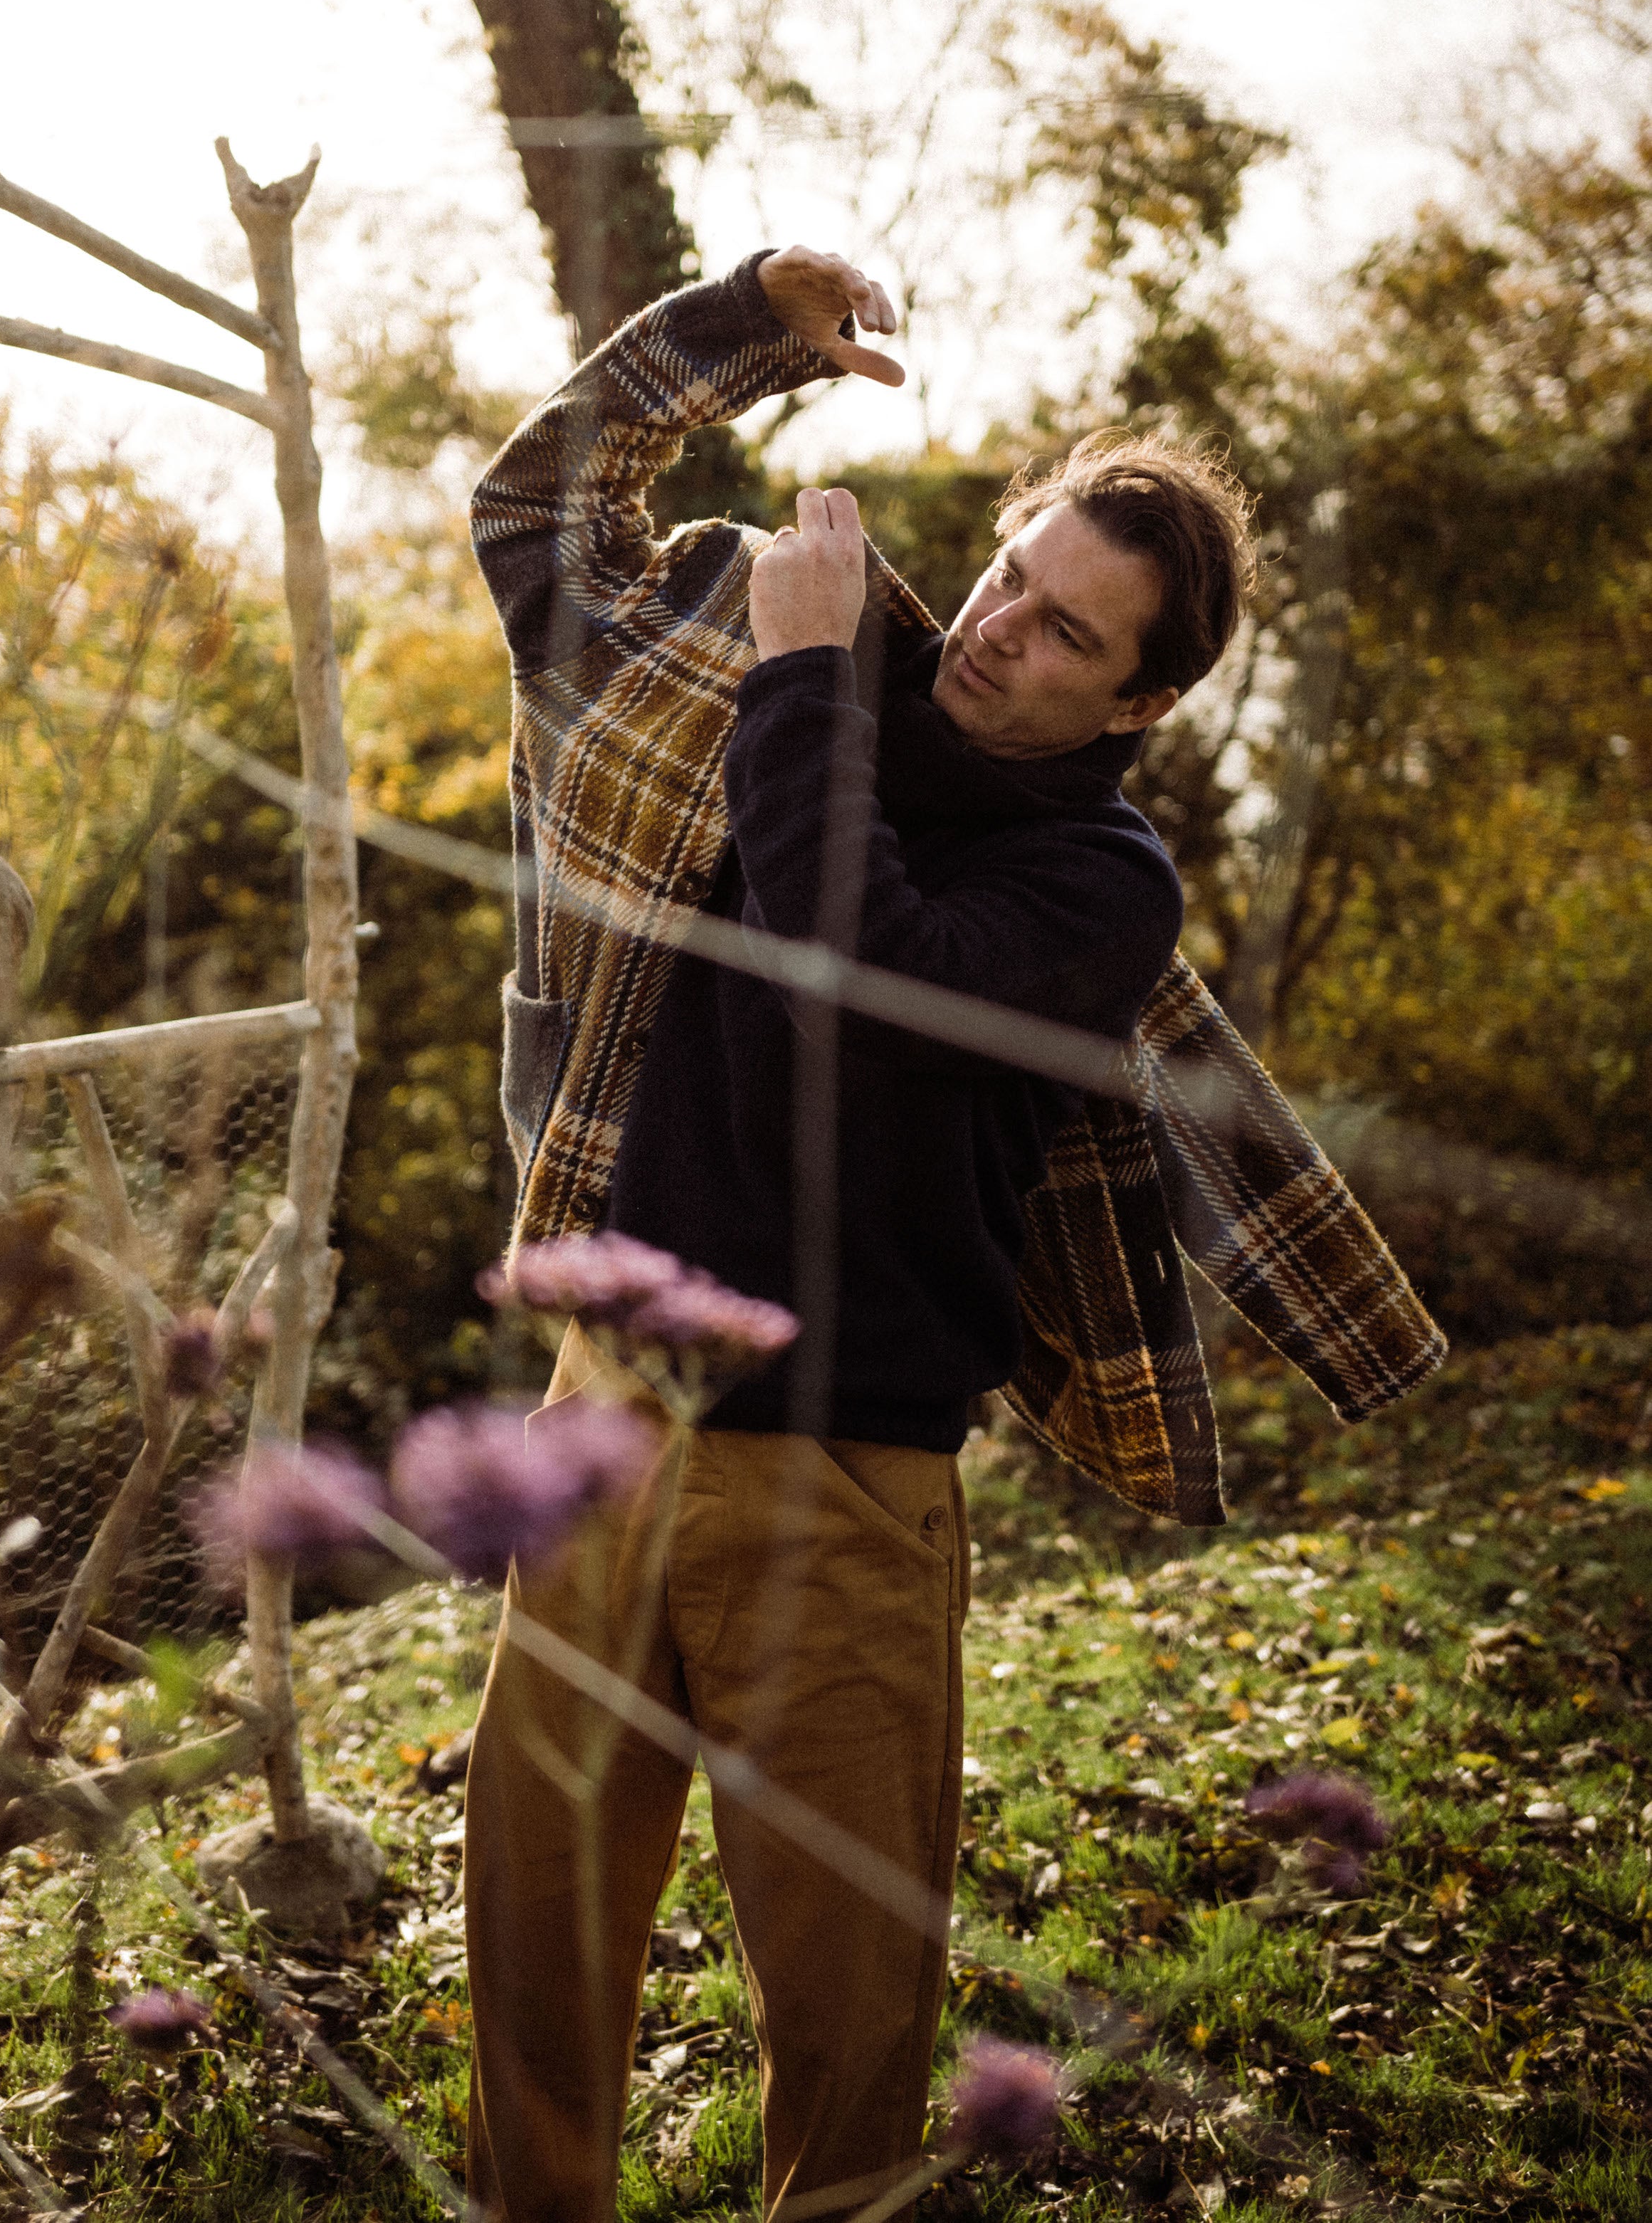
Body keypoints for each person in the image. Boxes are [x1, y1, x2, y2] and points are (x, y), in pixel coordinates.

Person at [462, 248, 1443, 2222]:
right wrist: (737, 327)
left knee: (843, 2025)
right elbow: (535, 517)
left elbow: (863, 978)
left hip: (840, 1485)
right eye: (1012, 579)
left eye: (1068, 638)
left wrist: (809, 672)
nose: (1002, 637)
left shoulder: (1097, 882)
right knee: (531, 1959)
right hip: (603, 1417)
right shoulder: (796, 668)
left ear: (1137, 701)